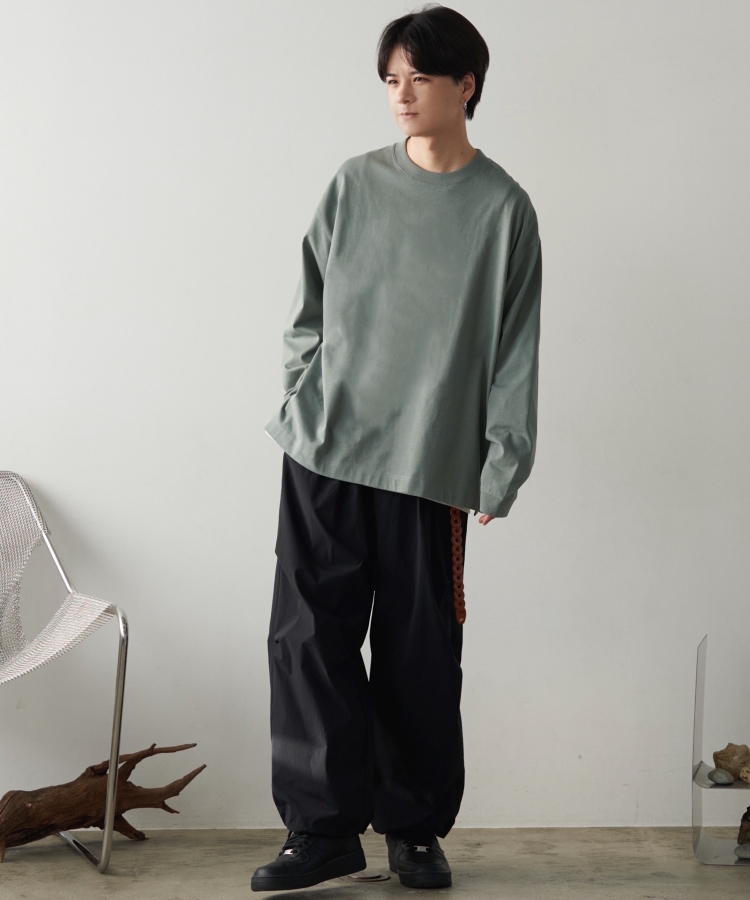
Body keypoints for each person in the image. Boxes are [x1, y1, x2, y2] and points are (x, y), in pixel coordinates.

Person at [252, 3, 542, 892]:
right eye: (390, 79)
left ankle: (413, 830)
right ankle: (321, 831)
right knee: (308, 641)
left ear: (467, 85)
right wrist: (301, 395)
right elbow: (306, 308)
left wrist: (503, 459)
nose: (402, 94)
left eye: (419, 77)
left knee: (420, 652)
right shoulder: (353, 185)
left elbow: (515, 347)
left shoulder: (502, 209)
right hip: (325, 451)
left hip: (430, 462)